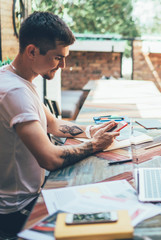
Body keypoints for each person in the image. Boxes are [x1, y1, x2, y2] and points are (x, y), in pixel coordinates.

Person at [0, 12, 118, 238]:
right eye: (57, 57)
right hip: (18, 210)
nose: (63, 65)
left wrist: (91, 131)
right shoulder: (15, 91)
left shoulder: (18, 79)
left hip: (29, 197)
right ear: (32, 51)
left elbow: (52, 124)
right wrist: (95, 145)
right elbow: (50, 158)